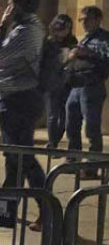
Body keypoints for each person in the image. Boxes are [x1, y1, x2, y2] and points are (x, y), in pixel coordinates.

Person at [0, 0, 47, 230]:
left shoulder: (27, 31)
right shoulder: (23, 29)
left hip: (18, 100)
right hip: (12, 97)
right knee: (15, 158)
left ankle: (47, 210)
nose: (8, 8)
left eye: (11, 3)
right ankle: (6, 209)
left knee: (23, 158)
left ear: (20, 6)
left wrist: (1, 26)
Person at [64, 6, 109, 178]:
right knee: (71, 123)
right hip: (76, 85)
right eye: (81, 20)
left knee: (91, 127)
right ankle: (73, 161)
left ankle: (92, 165)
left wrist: (87, 52)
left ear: (98, 20)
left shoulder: (103, 38)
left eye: (87, 19)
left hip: (92, 86)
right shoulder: (85, 39)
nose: (83, 23)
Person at [44, 15, 76, 149]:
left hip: (67, 83)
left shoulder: (72, 41)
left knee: (64, 116)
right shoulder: (49, 43)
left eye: (68, 27)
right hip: (52, 83)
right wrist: (68, 59)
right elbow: (52, 64)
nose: (65, 30)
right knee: (52, 115)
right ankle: (52, 143)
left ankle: (56, 139)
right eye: (63, 27)